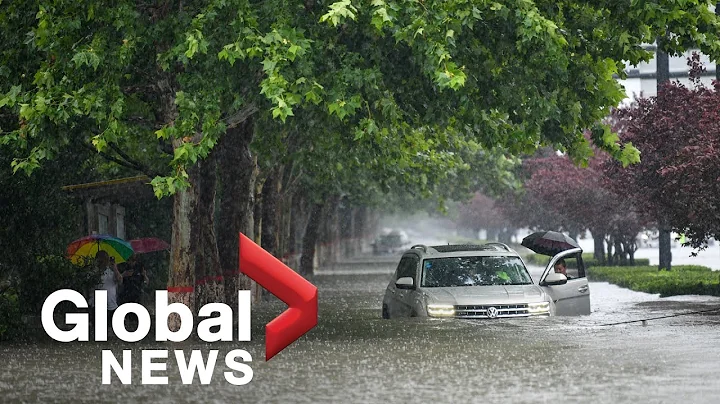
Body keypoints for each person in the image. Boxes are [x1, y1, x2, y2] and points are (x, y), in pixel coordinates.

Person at [88, 250, 123, 335]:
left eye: (105, 259)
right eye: (101, 259)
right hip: (97, 303)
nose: (104, 261)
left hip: (111, 304)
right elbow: (89, 285)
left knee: (111, 329)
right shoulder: (92, 272)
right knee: (99, 330)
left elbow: (120, 280)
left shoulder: (111, 272)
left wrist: (115, 268)